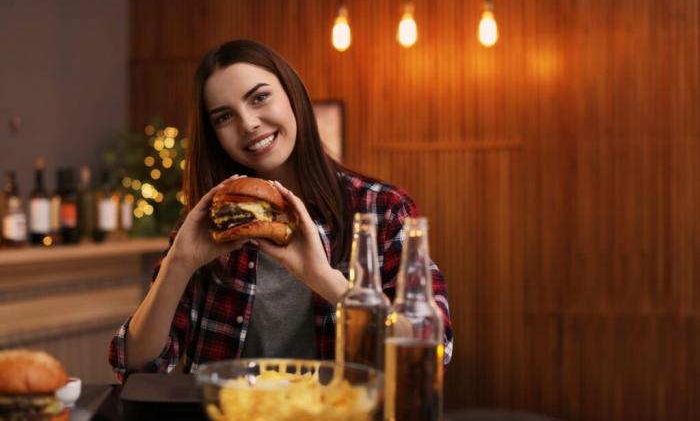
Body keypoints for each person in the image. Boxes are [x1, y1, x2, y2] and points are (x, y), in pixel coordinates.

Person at [108, 39, 453, 380]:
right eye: (224, 116)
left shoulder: (382, 209)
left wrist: (324, 279)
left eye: (259, 98)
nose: (248, 123)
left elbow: (429, 349)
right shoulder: (210, 222)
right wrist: (178, 265)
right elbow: (135, 365)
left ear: (293, 95)